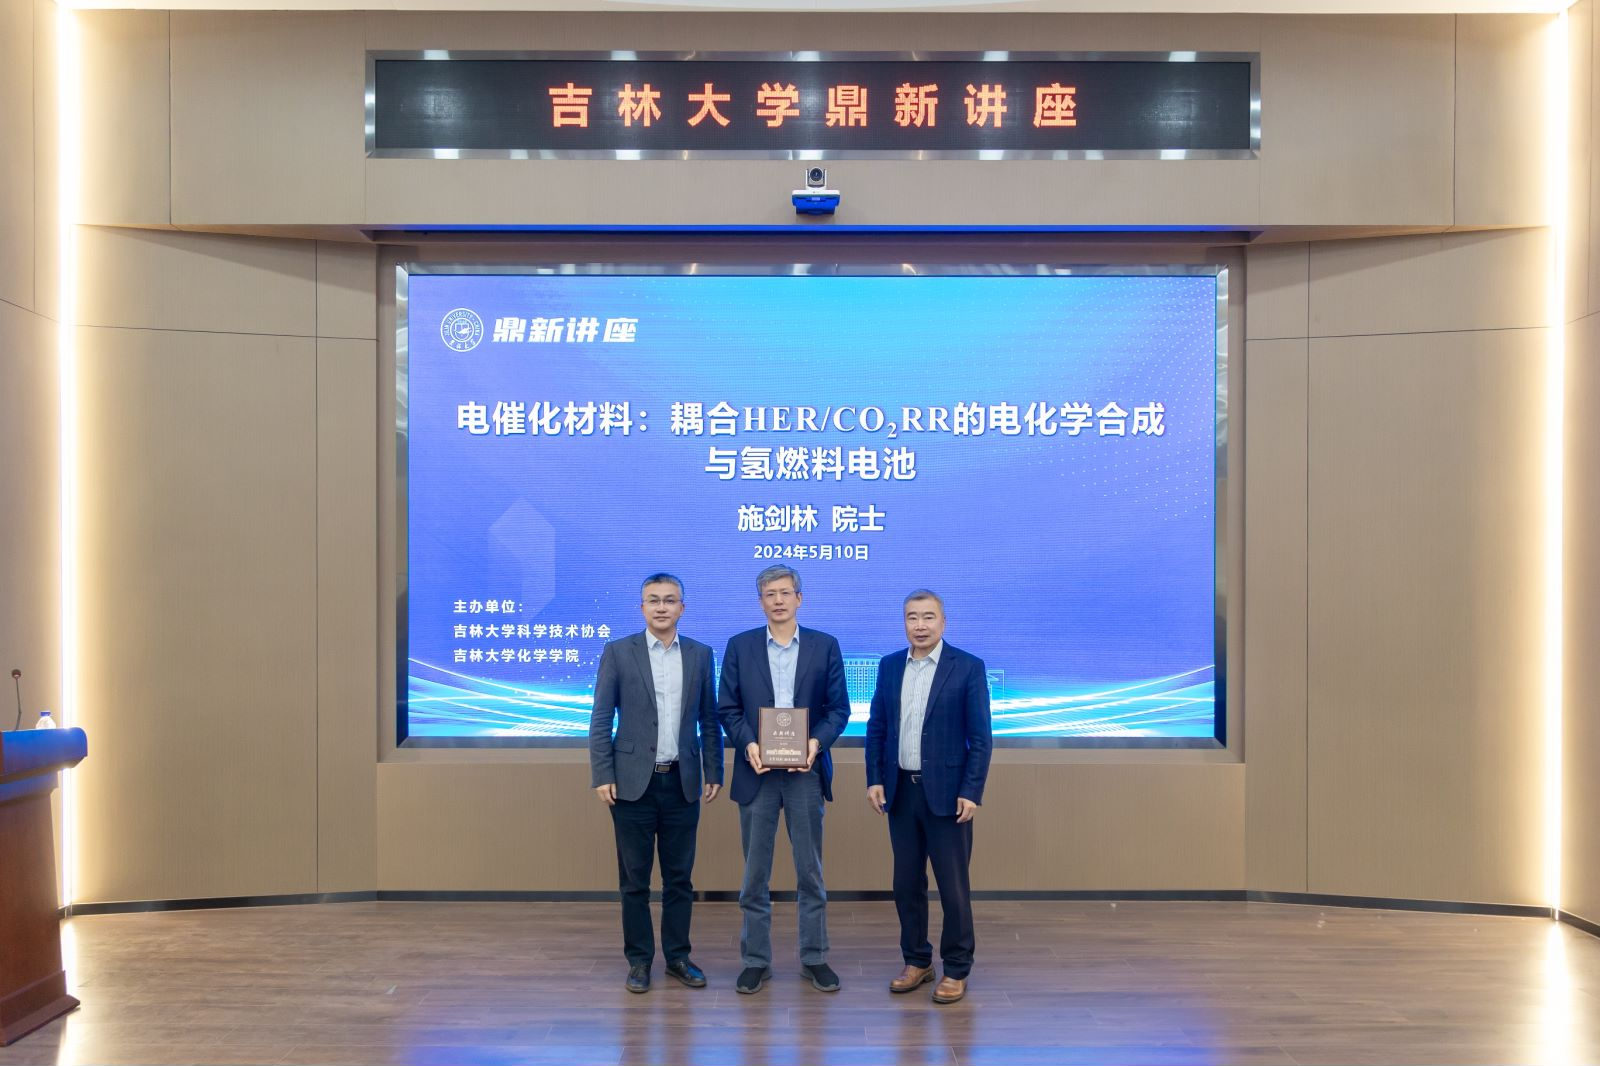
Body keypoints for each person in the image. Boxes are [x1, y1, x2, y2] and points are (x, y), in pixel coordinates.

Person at [718, 564, 851, 995]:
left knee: (809, 871)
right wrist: (748, 744)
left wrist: (815, 743)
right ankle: (756, 960)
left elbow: (839, 710)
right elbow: (727, 709)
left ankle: (815, 957)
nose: (778, 600)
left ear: (799, 598)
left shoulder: (824, 646)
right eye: (769, 593)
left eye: (785, 592)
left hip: (804, 774)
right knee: (755, 874)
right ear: (760, 601)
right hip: (756, 773)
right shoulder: (740, 646)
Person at [588, 573, 723, 994]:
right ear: (642, 607)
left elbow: (710, 719)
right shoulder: (618, 652)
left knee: (680, 879)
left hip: (682, 781)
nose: (661, 607)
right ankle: (639, 961)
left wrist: (714, 771)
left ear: (682, 607)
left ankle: (678, 957)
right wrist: (602, 773)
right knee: (634, 880)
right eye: (653, 600)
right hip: (631, 784)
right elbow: (600, 718)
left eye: (669, 600)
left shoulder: (700, 654)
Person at [864, 589, 993, 1005]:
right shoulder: (889, 666)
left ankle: (956, 968)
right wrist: (875, 778)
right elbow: (877, 728)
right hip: (901, 792)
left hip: (949, 796)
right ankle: (917, 960)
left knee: (953, 888)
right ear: (904, 622)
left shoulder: (967, 667)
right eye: (912, 617)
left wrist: (971, 790)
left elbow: (981, 737)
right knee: (906, 884)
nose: (920, 625)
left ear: (943, 622)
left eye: (928, 617)